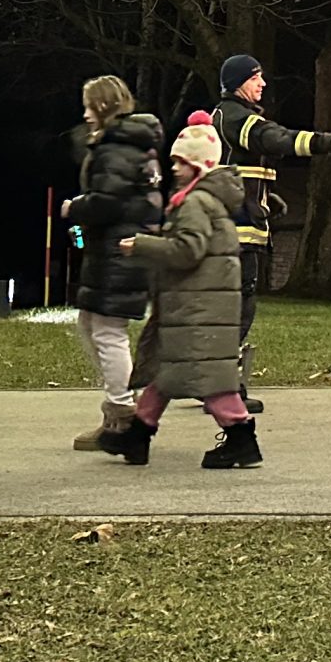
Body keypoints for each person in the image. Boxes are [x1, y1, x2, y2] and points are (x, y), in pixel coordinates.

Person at [98, 116, 258, 468]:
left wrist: (143, 246)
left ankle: (241, 436)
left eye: (179, 161)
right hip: (193, 306)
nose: (173, 168)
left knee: (209, 381)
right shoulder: (204, 201)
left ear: (199, 164)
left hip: (198, 308)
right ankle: (138, 437)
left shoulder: (196, 203)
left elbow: (188, 251)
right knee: (164, 375)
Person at [211, 53, 331, 410]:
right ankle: (223, 389)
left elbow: (241, 167)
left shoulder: (229, 116)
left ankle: (213, 382)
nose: (263, 84)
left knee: (232, 305)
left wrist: (269, 195)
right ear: (237, 83)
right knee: (238, 306)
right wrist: (329, 142)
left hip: (239, 222)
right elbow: (276, 139)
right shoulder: (236, 117)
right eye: (255, 78)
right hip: (234, 229)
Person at [58, 75, 164, 450]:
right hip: (123, 249)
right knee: (92, 324)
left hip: (118, 251)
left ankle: (122, 414)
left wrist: (76, 207)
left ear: (103, 107)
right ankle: (118, 408)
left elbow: (108, 200)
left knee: (106, 330)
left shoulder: (114, 147)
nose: (85, 114)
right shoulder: (136, 145)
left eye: (89, 105)